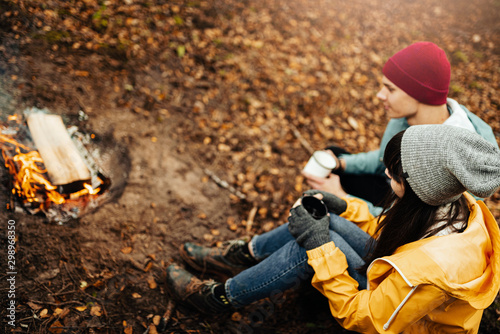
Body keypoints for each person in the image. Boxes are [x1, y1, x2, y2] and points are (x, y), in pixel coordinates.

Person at [166, 124, 500, 333]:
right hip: (390, 285)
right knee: (327, 222)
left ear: (416, 185)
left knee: (308, 251)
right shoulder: (444, 201)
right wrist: (345, 206)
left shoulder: (434, 268)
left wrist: (318, 247)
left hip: (398, 324)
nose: (386, 175)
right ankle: (243, 255)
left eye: (394, 173)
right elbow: (395, 242)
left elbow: (367, 319)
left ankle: (218, 299)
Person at [302, 41, 499, 211]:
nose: (380, 95)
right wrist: (341, 163)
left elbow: (412, 228)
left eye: (390, 89)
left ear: (420, 94)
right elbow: (383, 160)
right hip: (393, 190)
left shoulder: (460, 155)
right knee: (333, 156)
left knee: (328, 204)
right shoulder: (404, 115)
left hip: (408, 228)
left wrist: (341, 198)